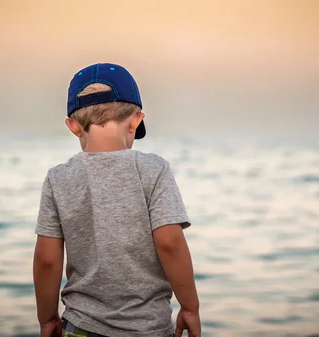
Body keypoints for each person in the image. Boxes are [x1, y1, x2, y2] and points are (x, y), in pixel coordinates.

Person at [33, 63, 201, 337]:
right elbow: (170, 242)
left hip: (81, 326)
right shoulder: (153, 169)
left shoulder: (58, 178)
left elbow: (47, 260)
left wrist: (47, 319)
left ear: (74, 126)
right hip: (148, 328)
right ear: (135, 120)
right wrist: (190, 307)